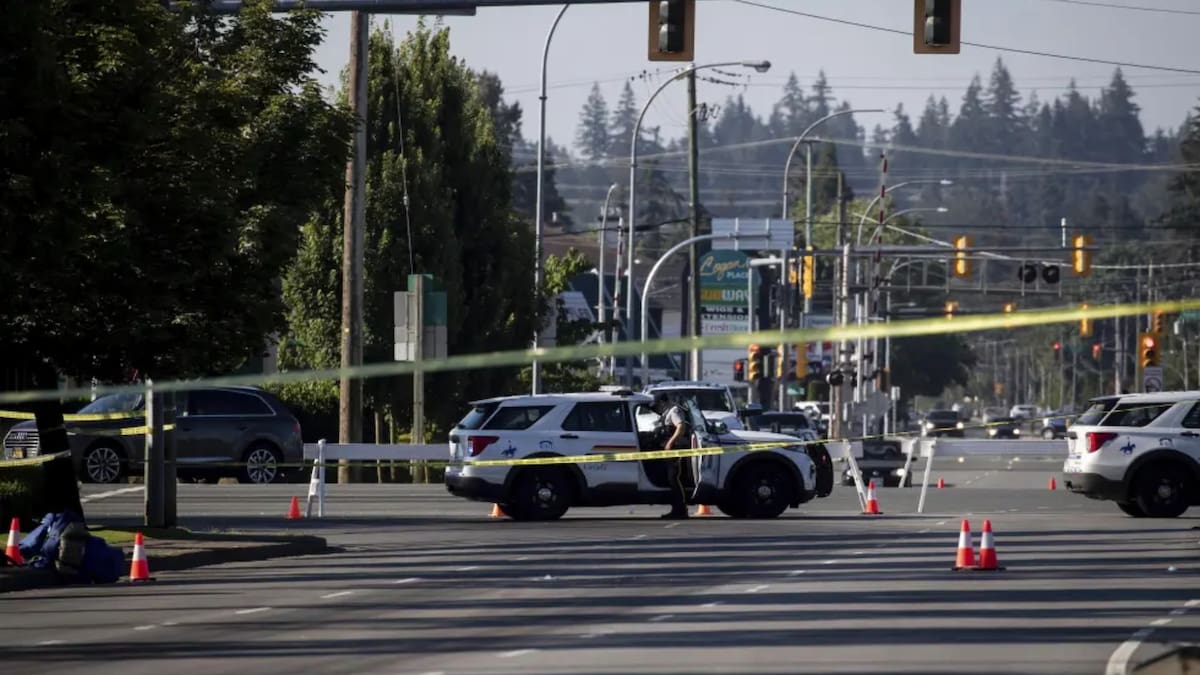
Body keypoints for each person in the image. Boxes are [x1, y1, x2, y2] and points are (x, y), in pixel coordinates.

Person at [653, 392, 691, 519]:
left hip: (676, 450)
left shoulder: (674, 411)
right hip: (671, 451)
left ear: (663, 402)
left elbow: (681, 427)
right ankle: (676, 509)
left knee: (675, 479)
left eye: (658, 404)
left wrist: (670, 443)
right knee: (671, 480)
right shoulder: (667, 412)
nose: (658, 407)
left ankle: (681, 509)